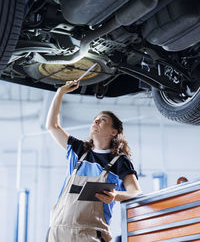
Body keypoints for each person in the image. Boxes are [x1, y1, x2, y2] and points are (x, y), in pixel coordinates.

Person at [45, 80, 142, 242]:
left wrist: (116, 195)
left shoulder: (119, 161)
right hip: (57, 232)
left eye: (102, 119)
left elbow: (135, 192)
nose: (95, 122)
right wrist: (60, 93)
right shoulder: (78, 150)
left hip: (90, 235)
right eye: (95, 119)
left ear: (114, 131)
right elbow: (52, 126)